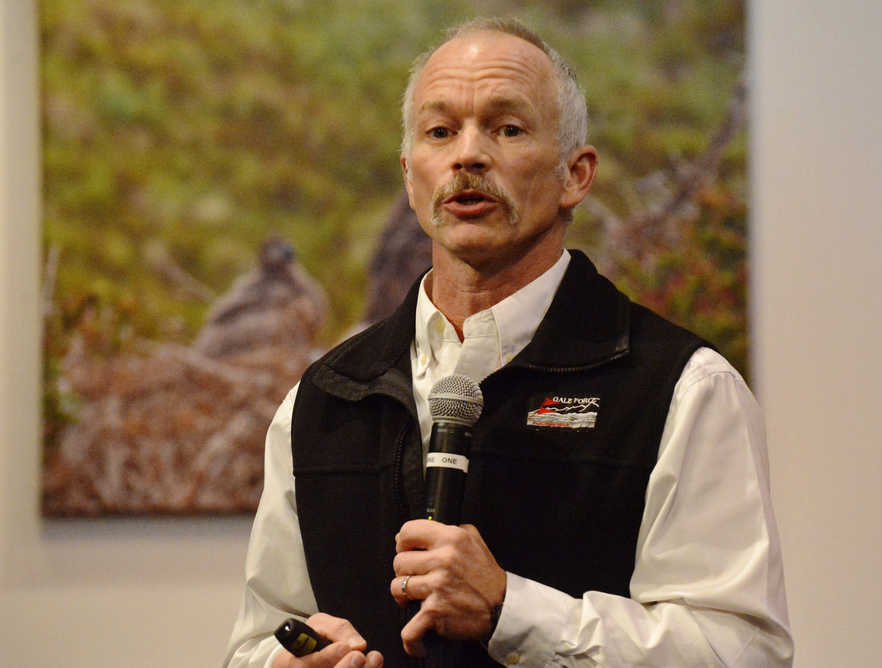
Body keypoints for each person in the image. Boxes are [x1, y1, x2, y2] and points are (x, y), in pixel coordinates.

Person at [224, 17, 793, 668]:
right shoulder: (321, 401)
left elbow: (741, 653)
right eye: (441, 131)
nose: (468, 154)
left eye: (507, 128)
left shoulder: (684, 389)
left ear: (575, 175)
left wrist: (511, 611)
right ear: (412, 178)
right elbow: (256, 641)